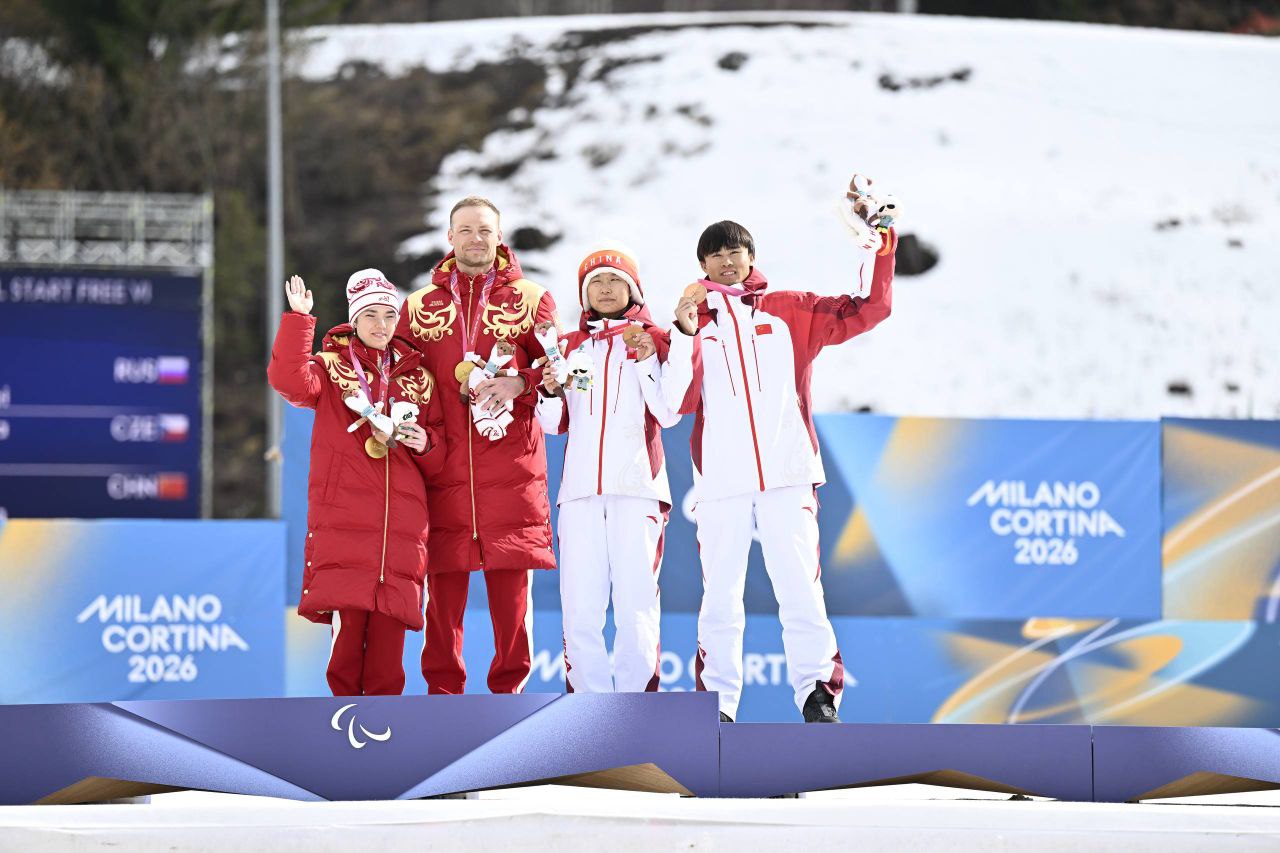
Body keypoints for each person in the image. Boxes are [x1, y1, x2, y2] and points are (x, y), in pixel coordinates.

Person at [661, 189, 897, 723]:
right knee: (720, 597)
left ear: (751, 256)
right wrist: (681, 334)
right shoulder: (689, 324)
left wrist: (877, 245)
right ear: (702, 265)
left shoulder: (790, 310)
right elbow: (674, 405)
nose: (727, 259)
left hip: (787, 476)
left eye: (736, 250)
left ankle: (817, 694)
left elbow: (870, 308)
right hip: (720, 482)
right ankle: (715, 707)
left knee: (799, 588)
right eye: (716, 253)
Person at [395, 196, 559, 694]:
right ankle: (443, 695)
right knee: (443, 594)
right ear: (450, 237)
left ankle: (510, 693)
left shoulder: (532, 298)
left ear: (498, 236)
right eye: (465, 229)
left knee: (511, 596)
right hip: (443, 470)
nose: (475, 238)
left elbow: (559, 373)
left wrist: (520, 384)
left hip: (510, 468)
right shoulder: (419, 307)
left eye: (484, 230)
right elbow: (401, 377)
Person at [267, 269, 445, 696]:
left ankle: (386, 745)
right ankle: (341, 736)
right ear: (354, 320)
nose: (381, 325)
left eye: (388, 315)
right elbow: (288, 381)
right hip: (346, 523)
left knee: (388, 659)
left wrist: (425, 442)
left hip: (401, 532)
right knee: (346, 652)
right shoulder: (331, 367)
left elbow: (440, 458)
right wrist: (298, 320)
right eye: (370, 316)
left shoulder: (419, 378)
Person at [534, 246, 679, 693]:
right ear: (584, 294)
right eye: (595, 282)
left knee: (636, 604)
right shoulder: (567, 346)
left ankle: (639, 706)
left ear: (632, 288)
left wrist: (645, 357)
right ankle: (588, 709)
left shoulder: (654, 337)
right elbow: (554, 424)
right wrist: (551, 391)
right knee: (580, 606)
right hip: (578, 493)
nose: (606, 288)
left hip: (638, 489)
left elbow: (668, 410)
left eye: (615, 280)